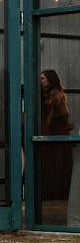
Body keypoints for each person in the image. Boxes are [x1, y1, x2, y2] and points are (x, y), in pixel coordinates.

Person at [40, 69, 73, 202]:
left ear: (50, 80)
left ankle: (54, 193)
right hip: (56, 134)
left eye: (42, 78)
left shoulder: (54, 95)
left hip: (55, 135)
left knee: (54, 165)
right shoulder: (54, 94)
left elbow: (49, 111)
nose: (40, 81)